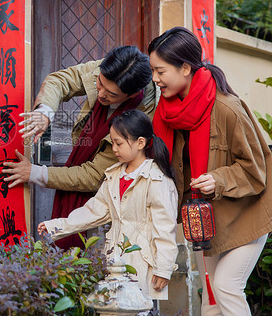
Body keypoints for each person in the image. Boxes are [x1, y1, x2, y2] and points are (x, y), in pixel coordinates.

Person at [148, 26, 272, 316]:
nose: (155, 79)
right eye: (153, 71)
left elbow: (256, 169)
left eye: (160, 71)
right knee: (210, 301)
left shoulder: (227, 108)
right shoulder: (168, 111)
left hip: (247, 214)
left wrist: (218, 179)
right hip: (206, 221)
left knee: (226, 287)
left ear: (185, 68)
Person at [2, 45, 157, 249]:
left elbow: (93, 176)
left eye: (110, 94)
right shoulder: (106, 70)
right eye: (98, 83)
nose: (100, 94)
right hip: (87, 183)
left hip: (112, 199)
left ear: (132, 95)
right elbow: (60, 80)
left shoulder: (142, 117)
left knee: (96, 257)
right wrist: (44, 113)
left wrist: (35, 173)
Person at [37, 109, 178, 304]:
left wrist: (164, 269)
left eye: (119, 143)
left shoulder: (157, 179)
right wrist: (57, 226)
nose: (114, 149)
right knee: (112, 307)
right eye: (112, 142)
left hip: (143, 261)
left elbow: (164, 228)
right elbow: (93, 211)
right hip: (114, 260)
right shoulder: (114, 176)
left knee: (138, 307)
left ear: (140, 143)